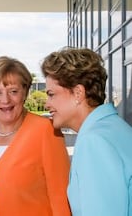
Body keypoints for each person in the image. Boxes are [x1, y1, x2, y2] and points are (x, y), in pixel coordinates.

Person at [0, 56, 71, 216]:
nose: (5, 100)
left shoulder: (46, 131)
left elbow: (60, 197)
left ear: (25, 92)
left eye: (13, 91)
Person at [41, 47, 132, 215]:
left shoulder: (94, 141)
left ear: (78, 93)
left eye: (51, 94)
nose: (47, 104)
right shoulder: (115, 128)